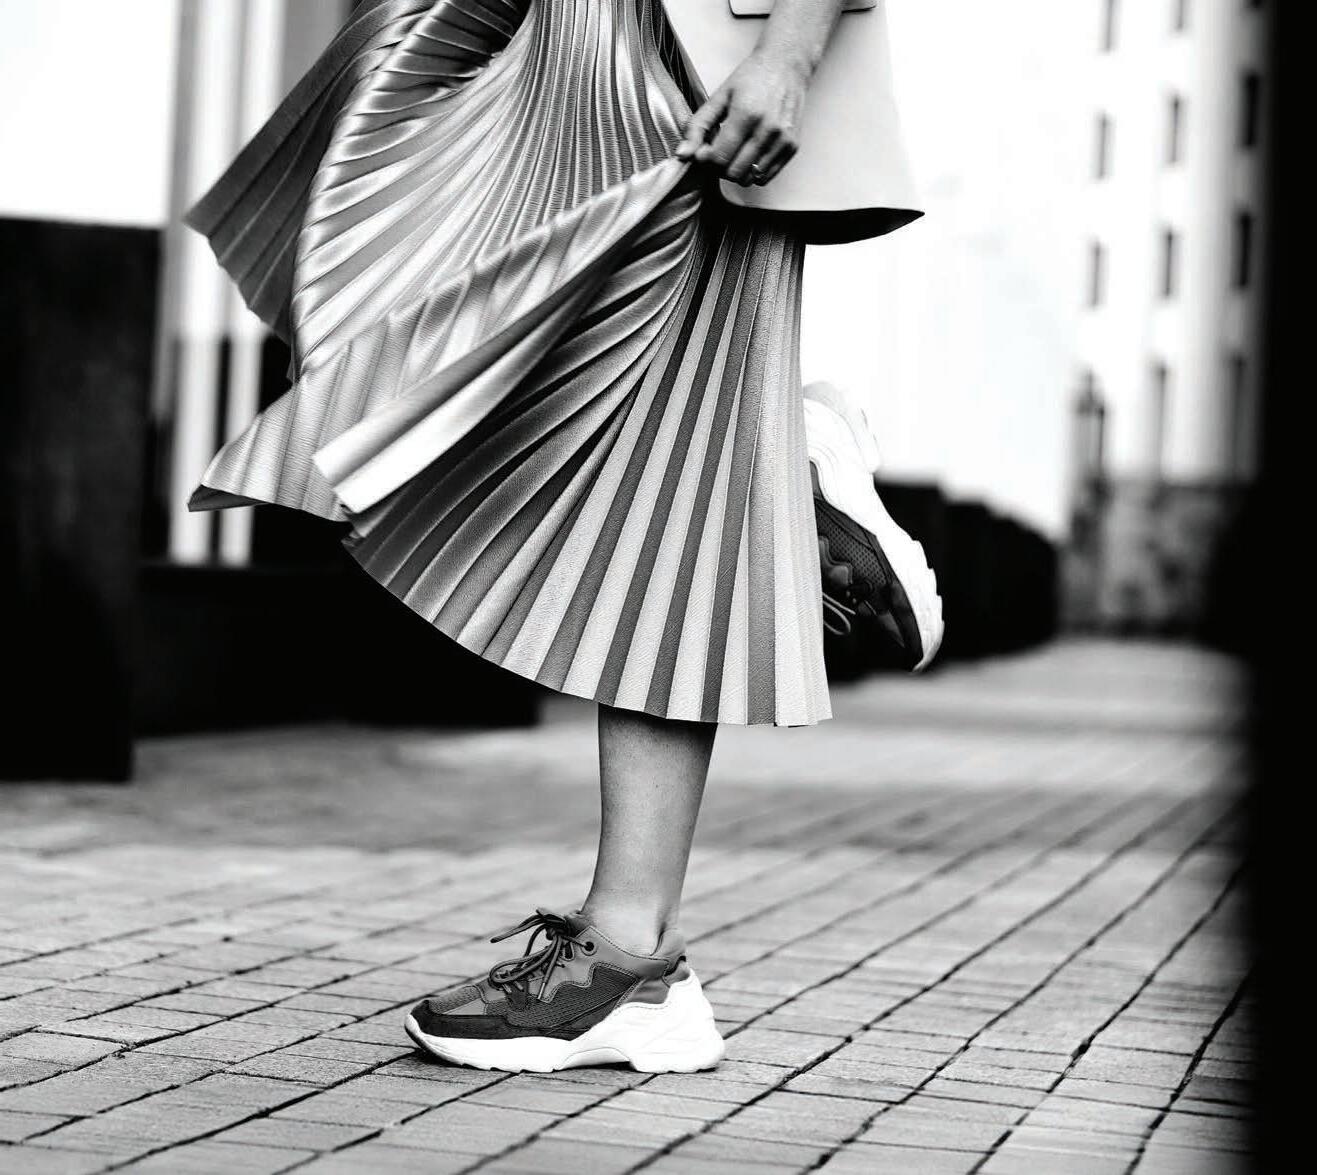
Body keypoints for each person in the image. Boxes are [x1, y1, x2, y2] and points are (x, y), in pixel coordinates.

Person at [186, 0, 936, 1074]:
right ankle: (771, 472)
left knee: (661, 498)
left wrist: (788, 53)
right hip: (545, 33)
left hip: (687, 66)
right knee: (441, 307)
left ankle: (629, 954)